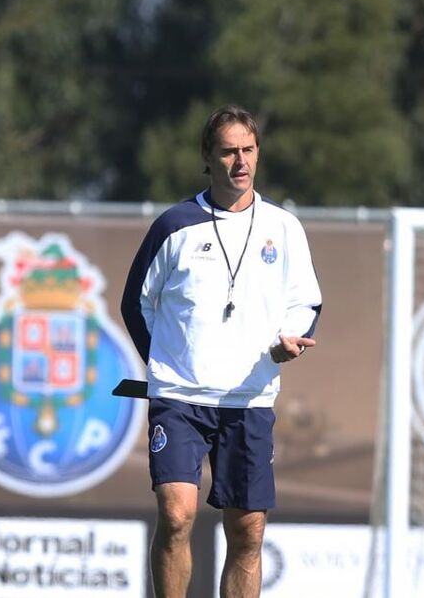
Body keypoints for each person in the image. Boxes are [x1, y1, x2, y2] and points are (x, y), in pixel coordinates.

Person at [120, 104, 322, 598]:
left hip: (249, 398)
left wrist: (287, 341)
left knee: (248, 531)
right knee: (176, 514)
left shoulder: (284, 226)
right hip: (180, 398)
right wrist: (168, 364)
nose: (240, 162)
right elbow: (136, 304)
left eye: (248, 150)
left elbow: (305, 302)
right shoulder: (174, 226)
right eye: (228, 151)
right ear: (207, 158)